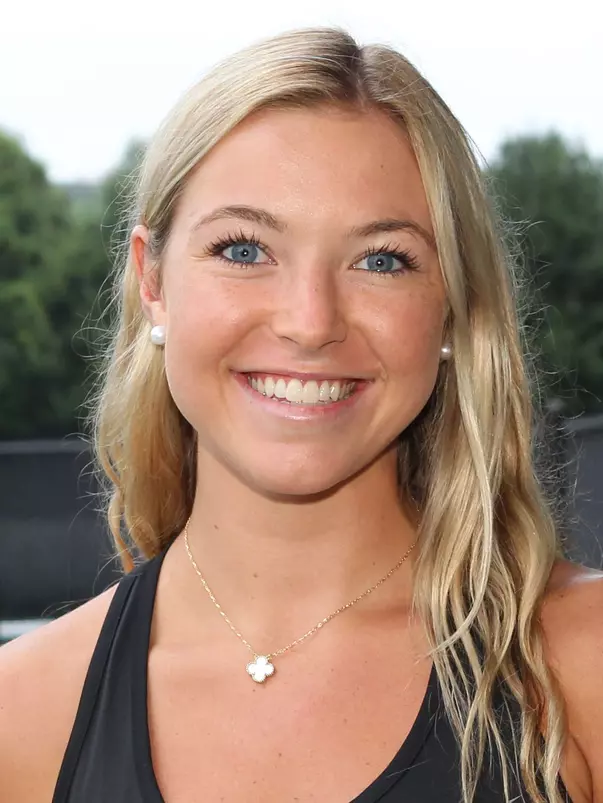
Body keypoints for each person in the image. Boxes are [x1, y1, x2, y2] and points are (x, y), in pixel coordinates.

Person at [0, 26, 601, 803]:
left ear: (451, 311)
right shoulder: (22, 714)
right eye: (245, 249)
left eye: (381, 259)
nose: (310, 321)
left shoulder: (577, 667)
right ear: (152, 280)